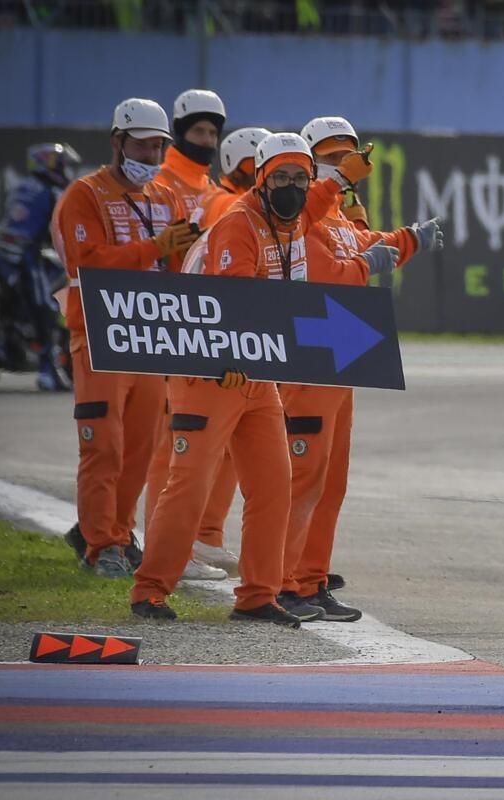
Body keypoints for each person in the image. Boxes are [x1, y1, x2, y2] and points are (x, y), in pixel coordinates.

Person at [130, 132, 365, 625]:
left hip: (255, 369)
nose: (293, 187)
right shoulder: (239, 224)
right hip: (211, 367)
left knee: (273, 485)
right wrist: (244, 353)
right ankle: (149, 590)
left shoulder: (297, 218)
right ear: (260, 178)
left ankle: (258, 595)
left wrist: (341, 178)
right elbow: (235, 305)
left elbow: (319, 202)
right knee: (190, 486)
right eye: (281, 177)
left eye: (301, 177)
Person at [272, 116, 443, 622]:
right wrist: (340, 184)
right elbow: (332, 271)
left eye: (347, 155)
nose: (341, 164)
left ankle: (311, 578)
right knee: (302, 477)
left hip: (344, 352)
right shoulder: (295, 220)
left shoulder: (344, 219)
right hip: (306, 355)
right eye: (329, 157)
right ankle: (281, 582)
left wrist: (413, 238)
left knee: (330, 482)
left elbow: (374, 247)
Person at [51, 98, 198, 577]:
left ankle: (117, 532)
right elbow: (86, 261)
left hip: (151, 338)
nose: (151, 156)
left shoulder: (165, 197)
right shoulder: (84, 193)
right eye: (143, 145)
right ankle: (101, 546)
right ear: (117, 142)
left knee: (140, 447)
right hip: (97, 335)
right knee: (104, 445)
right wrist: (152, 248)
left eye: (159, 147)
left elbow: (176, 266)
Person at [141, 89, 236, 579]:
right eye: (199, 131)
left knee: (198, 442)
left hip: (205, 317)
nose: (207, 139)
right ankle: (164, 544)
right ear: (180, 132)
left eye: (213, 132)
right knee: (173, 441)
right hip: (170, 315)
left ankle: (191, 539)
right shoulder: (163, 183)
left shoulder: (209, 185)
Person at [0, 142, 82, 391]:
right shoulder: (53, 192)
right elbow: (62, 228)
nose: (65, 170)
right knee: (44, 304)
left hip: (3, 249)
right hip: (27, 254)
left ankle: (4, 338)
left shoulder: (21, 186)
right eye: (62, 165)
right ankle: (47, 369)